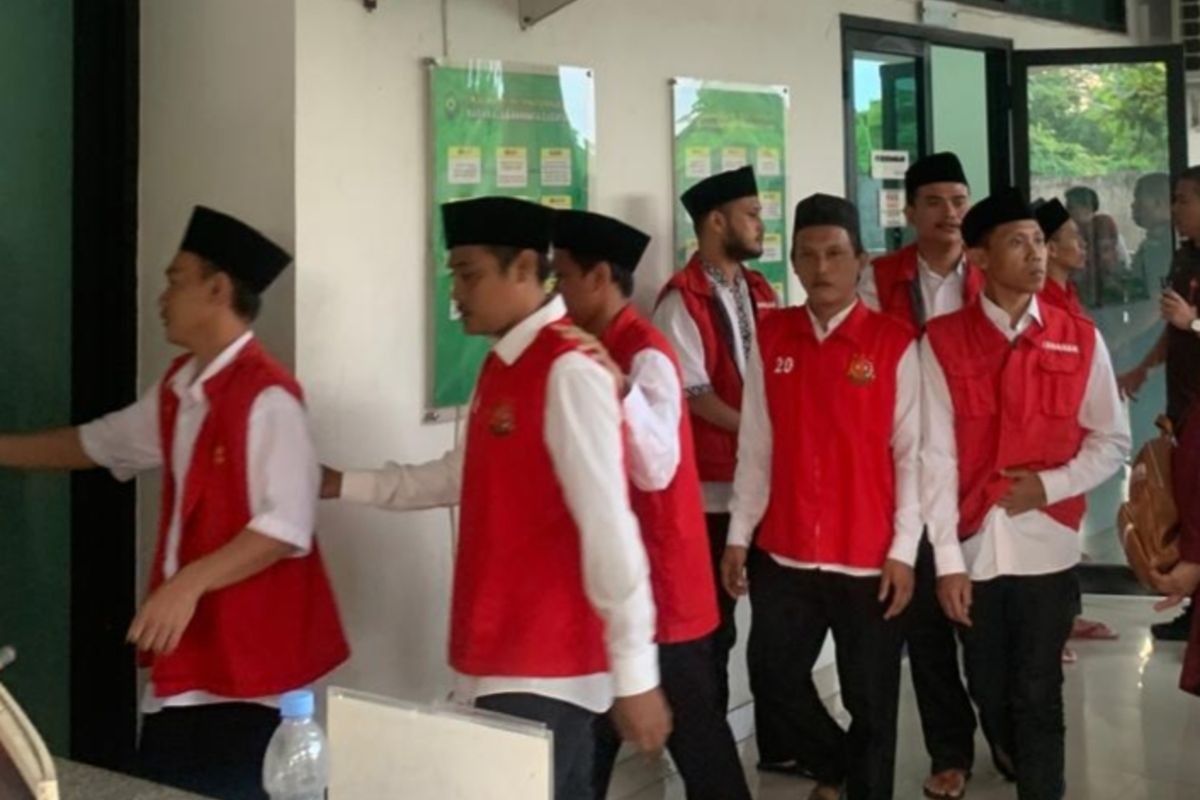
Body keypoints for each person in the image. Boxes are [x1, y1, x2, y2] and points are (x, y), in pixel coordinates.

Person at [321, 197, 671, 800]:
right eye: (453, 274)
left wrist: (636, 673)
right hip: (495, 652)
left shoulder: (569, 371)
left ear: (525, 269)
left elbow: (609, 526)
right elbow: (462, 476)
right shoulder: (501, 364)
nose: (457, 293)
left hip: (547, 667)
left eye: (469, 274)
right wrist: (344, 484)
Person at [0, 206, 350, 800]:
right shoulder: (180, 388)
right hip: (188, 667)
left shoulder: (269, 397)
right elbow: (95, 444)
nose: (163, 297)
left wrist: (186, 585)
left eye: (176, 280)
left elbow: (285, 525)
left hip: (255, 677)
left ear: (217, 289)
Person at [923, 188, 1130, 800]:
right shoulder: (941, 341)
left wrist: (1048, 486)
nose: (1037, 254)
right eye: (1018, 242)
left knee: (1040, 689)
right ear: (979, 257)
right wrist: (947, 561)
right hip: (973, 543)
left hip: (1048, 543)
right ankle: (1007, 748)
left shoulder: (1079, 337)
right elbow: (933, 457)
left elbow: (1111, 440)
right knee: (988, 684)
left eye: (1040, 241)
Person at [722, 194, 920, 800]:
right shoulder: (774, 335)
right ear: (793, 262)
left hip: (868, 556)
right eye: (808, 255)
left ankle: (862, 786)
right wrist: (739, 534)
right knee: (773, 677)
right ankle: (837, 767)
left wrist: (904, 550)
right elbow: (757, 444)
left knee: (871, 700)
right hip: (785, 551)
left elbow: (913, 457)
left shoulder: (893, 343)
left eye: (835, 254)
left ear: (861, 260)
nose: (822, 267)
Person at [549, 209, 751, 800]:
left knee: (696, 736)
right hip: (618, 584)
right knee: (591, 735)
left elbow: (658, 464)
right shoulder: (586, 348)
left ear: (599, 278)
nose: (555, 291)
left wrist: (617, 386)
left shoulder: (645, 352)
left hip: (664, 581)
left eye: (562, 277)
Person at [859, 151, 981, 800]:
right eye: (934, 202)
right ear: (908, 212)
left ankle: (1009, 731)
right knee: (929, 628)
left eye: (959, 200)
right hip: (909, 467)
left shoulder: (990, 269)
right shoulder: (878, 278)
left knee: (989, 625)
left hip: (979, 466)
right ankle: (950, 751)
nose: (949, 213)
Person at [651, 166, 779, 744]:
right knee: (714, 630)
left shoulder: (760, 290)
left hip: (762, 485)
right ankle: (713, 746)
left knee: (778, 624)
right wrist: (760, 433)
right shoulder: (682, 300)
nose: (761, 224)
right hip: (710, 494)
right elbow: (694, 396)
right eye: (751, 214)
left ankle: (779, 742)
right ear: (717, 222)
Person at [1034, 198, 1120, 661]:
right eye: (1073, 237)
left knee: (1069, 525)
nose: (1082, 245)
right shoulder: (1040, 303)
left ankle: (1066, 616)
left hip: (1076, 435)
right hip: (1046, 439)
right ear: (1049, 247)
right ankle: (1051, 627)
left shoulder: (1067, 295)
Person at [1117, 167, 1200, 642]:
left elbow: (1186, 322)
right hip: (1183, 407)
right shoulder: (1185, 256)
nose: (1176, 209)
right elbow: (1174, 328)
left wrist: (1193, 322)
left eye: (1184, 199)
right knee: (1184, 505)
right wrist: (1143, 368)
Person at [1064, 186, 1129, 307]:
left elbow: (1122, 259)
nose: (1066, 211)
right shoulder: (1067, 233)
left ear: (1087, 208)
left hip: (1108, 292)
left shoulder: (1106, 228)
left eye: (1070, 207)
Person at [1129, 173, 1175, 299]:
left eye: (1138, 199)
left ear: (1158, 203)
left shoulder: (1167, 246)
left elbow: (1156, 298)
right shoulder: (1153, 241)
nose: (1133, 205)